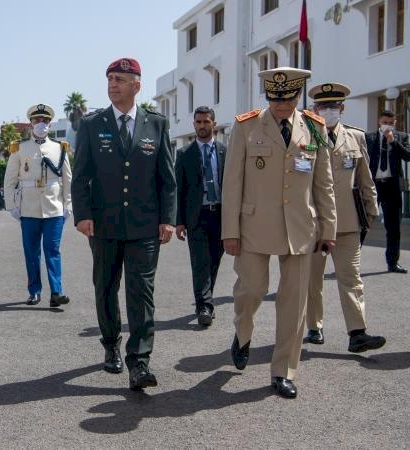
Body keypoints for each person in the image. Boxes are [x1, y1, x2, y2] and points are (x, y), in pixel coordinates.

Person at [222, 67, 336, 399]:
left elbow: (324, 183)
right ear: (267, 96)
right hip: (254, 226)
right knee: (252, 290)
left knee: (294, 303)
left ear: (298, 95)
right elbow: (232, 184)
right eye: (275, 98)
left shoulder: (314, 128)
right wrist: (230, 231)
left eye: (287, 99)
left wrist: (328, 228)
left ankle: (283, 370)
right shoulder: (246, 126)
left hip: (301, 228)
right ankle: (243, 333)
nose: (281, 105)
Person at [71, 58, 176, 391]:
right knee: (105, 287)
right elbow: (81, 176)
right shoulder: (92, 124)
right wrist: (83, 214)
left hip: (145, 226)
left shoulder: (155, 124)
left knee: (141, 292)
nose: (113, 84)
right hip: (104, 224)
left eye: (119, 79)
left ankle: (140, 362)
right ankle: (111, 342)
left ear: (137, 85)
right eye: (110, 79)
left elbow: (167, 178)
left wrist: (168, 219)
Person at [305, 82, 386, 353]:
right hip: (314, 222)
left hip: (348, 221)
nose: (328, 111)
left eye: (333, 106)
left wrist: (371, 209)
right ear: (314, 108)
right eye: (323, 106)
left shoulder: (356, 138)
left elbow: (365, 178)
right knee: (312, 279)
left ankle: (357, 332)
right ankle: (315, 326)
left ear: (342, 107)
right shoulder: (303, 137)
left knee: (351, 278)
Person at [3, 103, 72, 307]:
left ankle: (56, 292)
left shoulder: (60, 148)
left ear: (49, 124)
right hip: (29, 207)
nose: (40, 124)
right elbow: (10, 180)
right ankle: (34, 291)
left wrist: (68, 204)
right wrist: (11, 206)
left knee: (53, 249)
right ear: (30, 124)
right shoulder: (20, 148)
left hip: (54, 207)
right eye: (36, 120)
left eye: (44, 120)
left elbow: (68, 179)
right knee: (31, 251)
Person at [175, 106, 226, 327]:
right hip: (196, 216)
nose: (201, 126)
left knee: (214, 260)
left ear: (214, 124)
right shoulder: (184, 154)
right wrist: (179, 221)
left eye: (206, 122)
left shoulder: (226, 151)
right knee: (200, 263)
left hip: (221, 215)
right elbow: (179, 189)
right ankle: (205, 306)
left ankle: (206, 301)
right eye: (198, 122)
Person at [365, 110, 410, 273]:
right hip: (372, 185)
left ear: (395, 122)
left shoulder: (402, 137)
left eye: (391, 123)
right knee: (363, 223)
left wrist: (393, 142)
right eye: (385, 122)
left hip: (392, 186)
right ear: (379, 121)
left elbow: (408, 156)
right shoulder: (368, 137)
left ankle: (393, 263)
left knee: (394, 227)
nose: (387, 125)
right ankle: (351, 262)